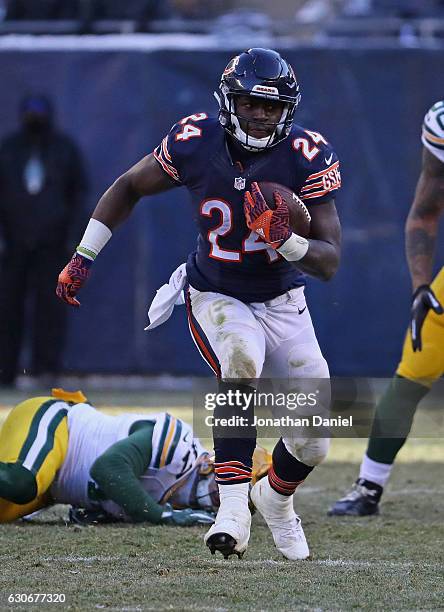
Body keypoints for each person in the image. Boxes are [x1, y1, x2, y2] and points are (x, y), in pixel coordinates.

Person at [56, 48, 342, 560]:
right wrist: (83, 255)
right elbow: (127, 186)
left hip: (283, 299)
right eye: (251, 102)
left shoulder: (305, 155)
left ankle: (273, 498)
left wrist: (286, 240)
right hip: (216, 290)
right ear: (229, 101)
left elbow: (329, 260)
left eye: (271, 107)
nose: (260, 114)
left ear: (288, 110)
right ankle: (231, 512)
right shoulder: (195, 141)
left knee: (315, 439)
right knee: (240, 361)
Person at [328, 100, 444, 516]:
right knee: (411, 374)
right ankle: (368, 487)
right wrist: (419, 286)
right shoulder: (441, 123)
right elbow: (425, 212)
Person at [0, 388, 218, 525]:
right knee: (20, 483)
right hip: (60, 425)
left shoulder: (181, 504)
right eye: (226, 486)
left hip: (51, 487)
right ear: (213, 465)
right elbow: (108, 468)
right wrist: (160, 516)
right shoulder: (180, 447)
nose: (223, 498)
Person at [0, 94, 88, 387]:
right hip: (13, 245)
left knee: (50, 310)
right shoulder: (9, 149)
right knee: (8, 308)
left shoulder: (64, 150)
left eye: (39, 113)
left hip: (52, 245)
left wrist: (73, 241)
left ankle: (44, 369)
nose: (34, 119)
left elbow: (78, 195)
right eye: (30, 113)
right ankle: (6, 370)